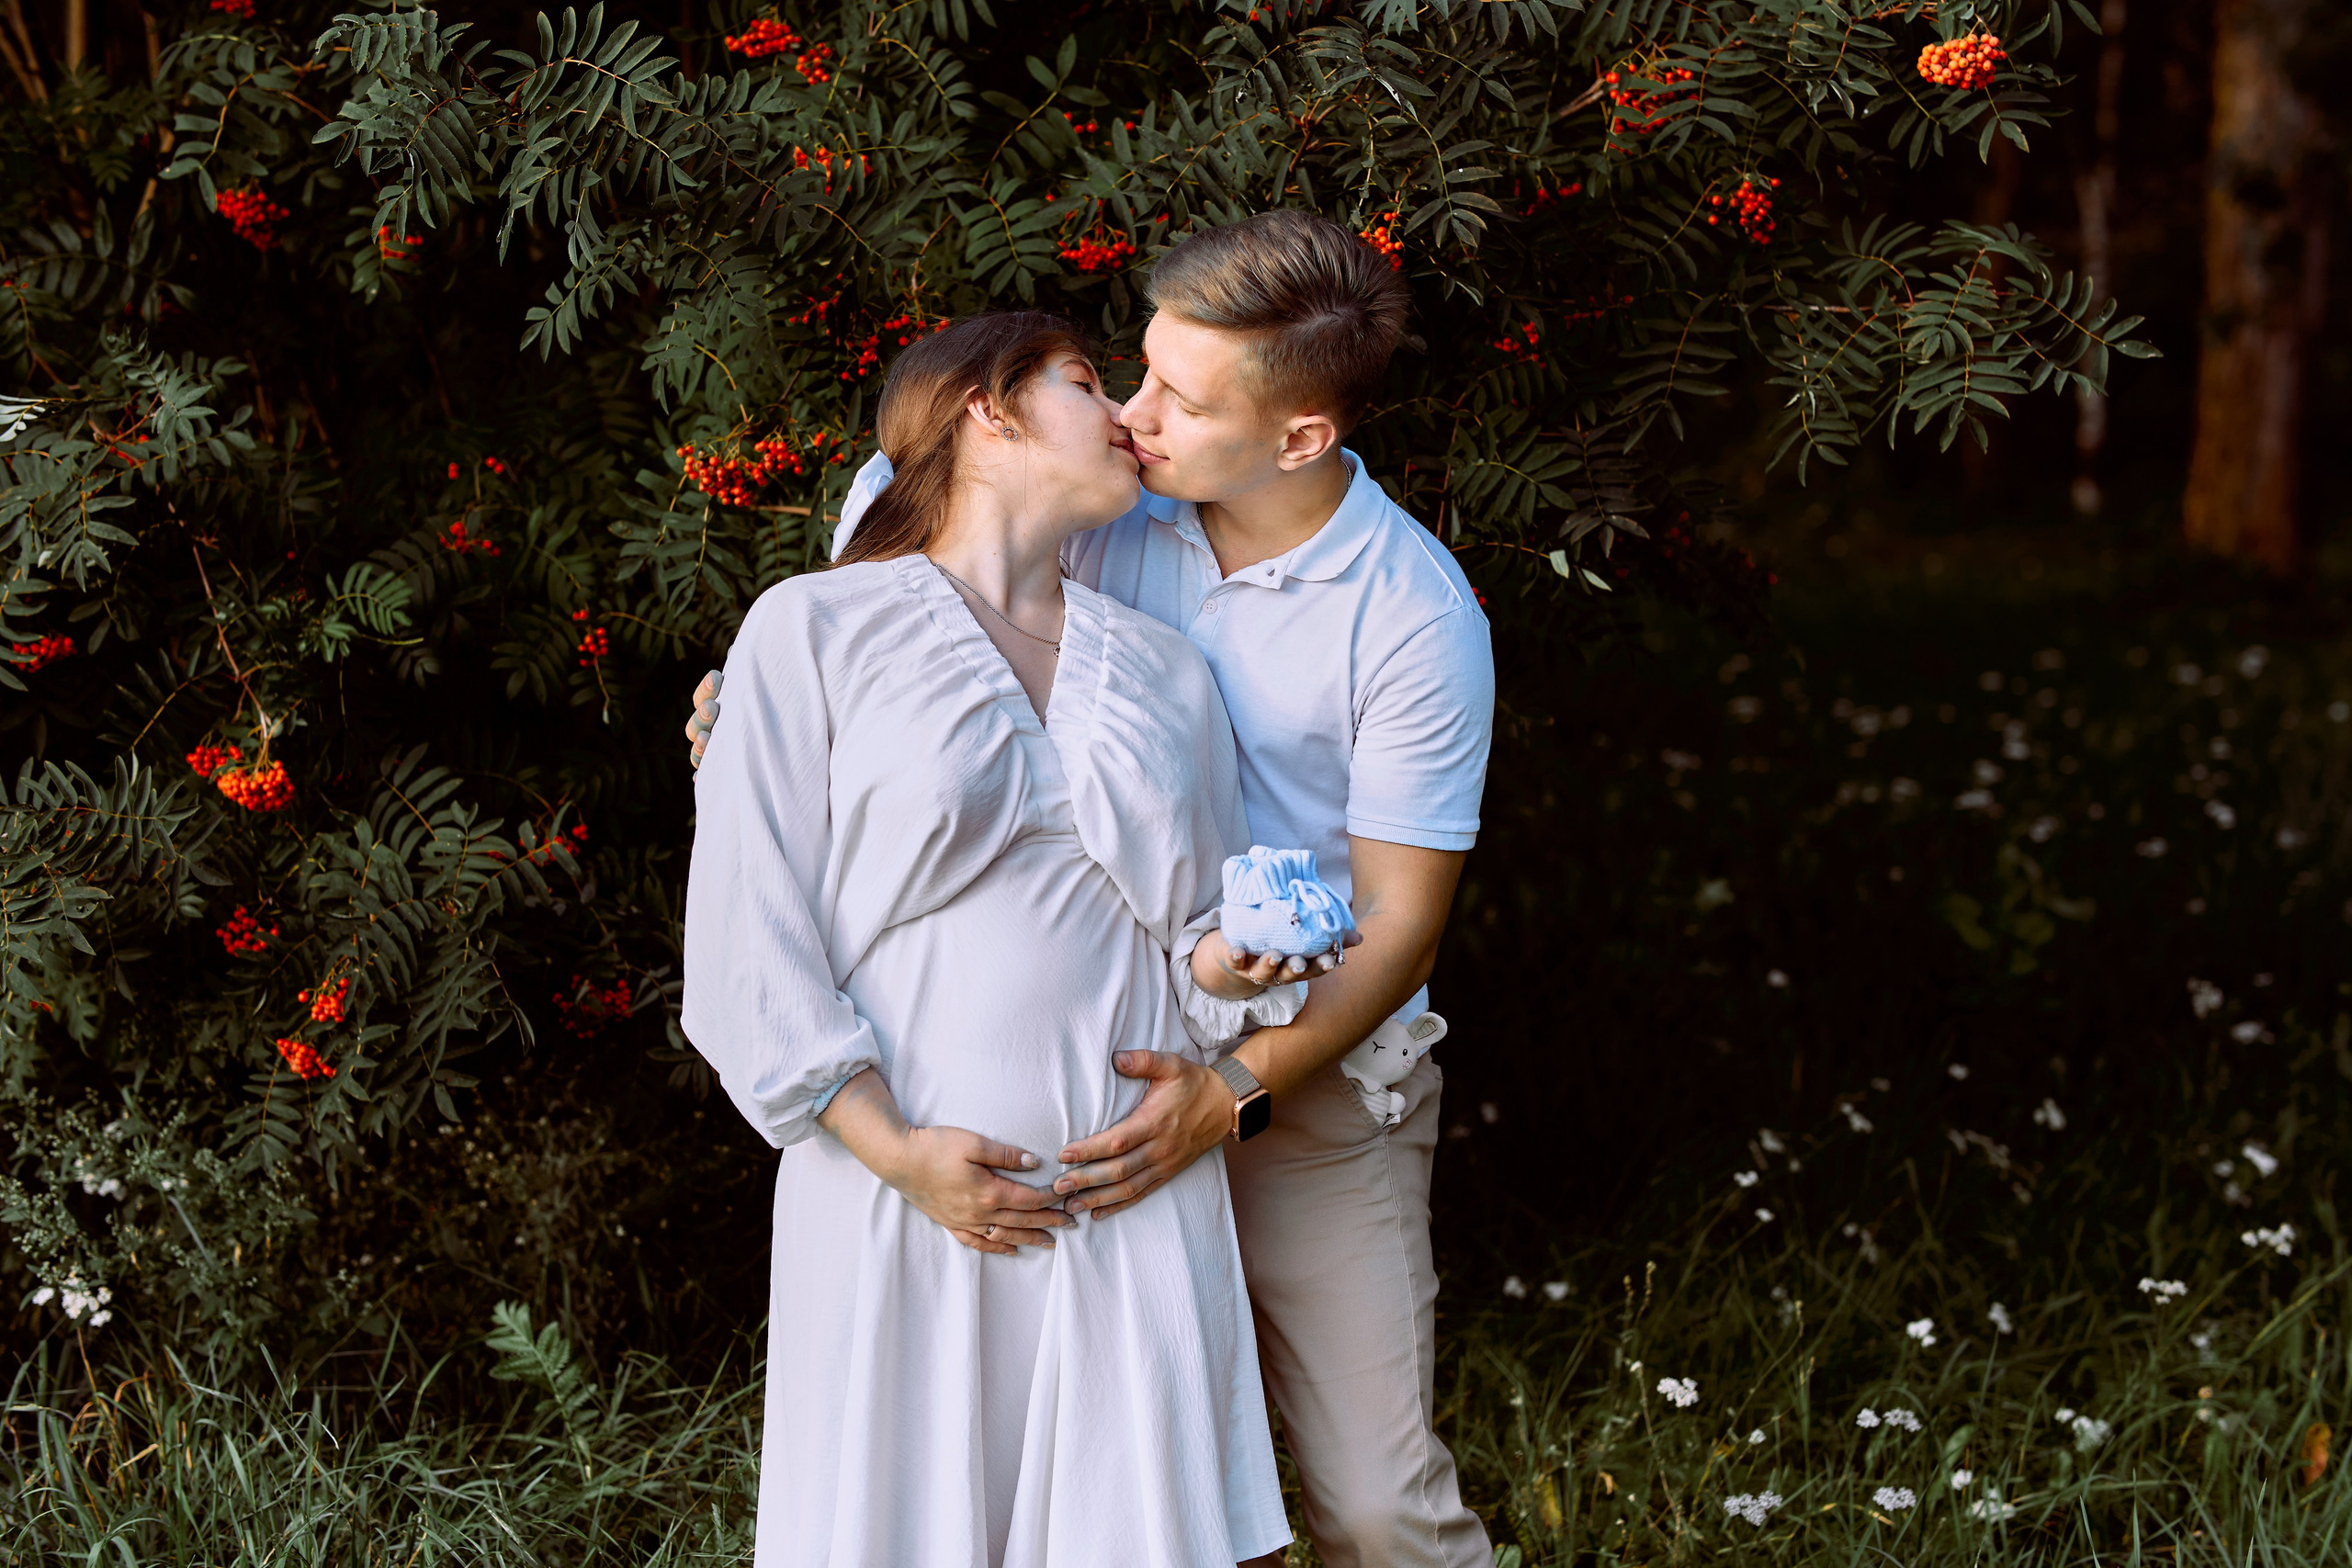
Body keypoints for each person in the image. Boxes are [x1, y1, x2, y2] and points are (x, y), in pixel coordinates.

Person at [694, 212, 1498, 1568]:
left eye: (1178, 399)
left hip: (1298, 1074)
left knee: (1366, 1506)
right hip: (1017, 1118)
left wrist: (1228, 1086)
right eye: (1127, 372)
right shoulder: (1072, 510)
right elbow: (848, 694)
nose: (1134, 412)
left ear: (1298, 437)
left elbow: (1401, 922)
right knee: (972, 1492)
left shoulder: (1412, 613)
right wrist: (740, 721)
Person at [682, 310, 1302, 1568]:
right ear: (989, 408)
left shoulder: (1171, 674)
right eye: (1088, 383)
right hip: (901, 1197)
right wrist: (899, 1154)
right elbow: (750, 931)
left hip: (1129, 1193)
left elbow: (1197, 944)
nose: (1128, 415)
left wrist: (1242, 966)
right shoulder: (813, 629)